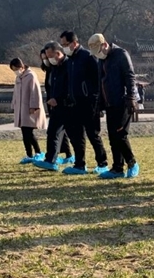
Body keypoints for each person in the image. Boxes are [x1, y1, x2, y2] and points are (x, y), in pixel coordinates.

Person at [89, 33, 140, 179]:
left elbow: (130, 76)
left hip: (123, 101)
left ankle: (132, 162)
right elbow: (100, 81)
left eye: (99, 51)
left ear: (104, 45)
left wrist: (131, 97)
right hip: (109, 102)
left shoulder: (121, 54)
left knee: (120, 134)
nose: (98, 55)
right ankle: (117, 167)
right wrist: (99, 103)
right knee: (112, 136)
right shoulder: (101, 59)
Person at [59, 30, 109, 175]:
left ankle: (102, 163)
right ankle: (79, 164)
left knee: (93, 135)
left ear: (74, 43)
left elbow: (98, 80)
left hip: (89, 104)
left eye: (66, 44)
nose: (64, 47)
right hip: (74, 104)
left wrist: (95, 101)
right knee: (76, 136)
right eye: (62, 45)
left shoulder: (88, 57)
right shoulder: (70, 60)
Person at [34, 43, 77, 172]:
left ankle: (79, 161)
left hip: (68, 106)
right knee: (52, 132)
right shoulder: (55, 67)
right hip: (56, 107)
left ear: (58, 53)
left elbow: (70, 87)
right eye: (45, 58)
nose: (47, 60)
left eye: (49, 56)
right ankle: (50, 160)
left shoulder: (69, 65)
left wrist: (58, 99)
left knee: (74, 135)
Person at [10, 57, 47, 164]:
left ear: (21, 66)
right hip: (21, 109)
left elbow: (35, 92)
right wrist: (14, 104)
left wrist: (34, 106)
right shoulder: (18, 78)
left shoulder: (31, 76)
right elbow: (15, 93)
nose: (15, 71)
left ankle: (36, 153)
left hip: (29, 109)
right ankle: (32, 154)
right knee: (26, 132)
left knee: (28, 133)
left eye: (16, 68)